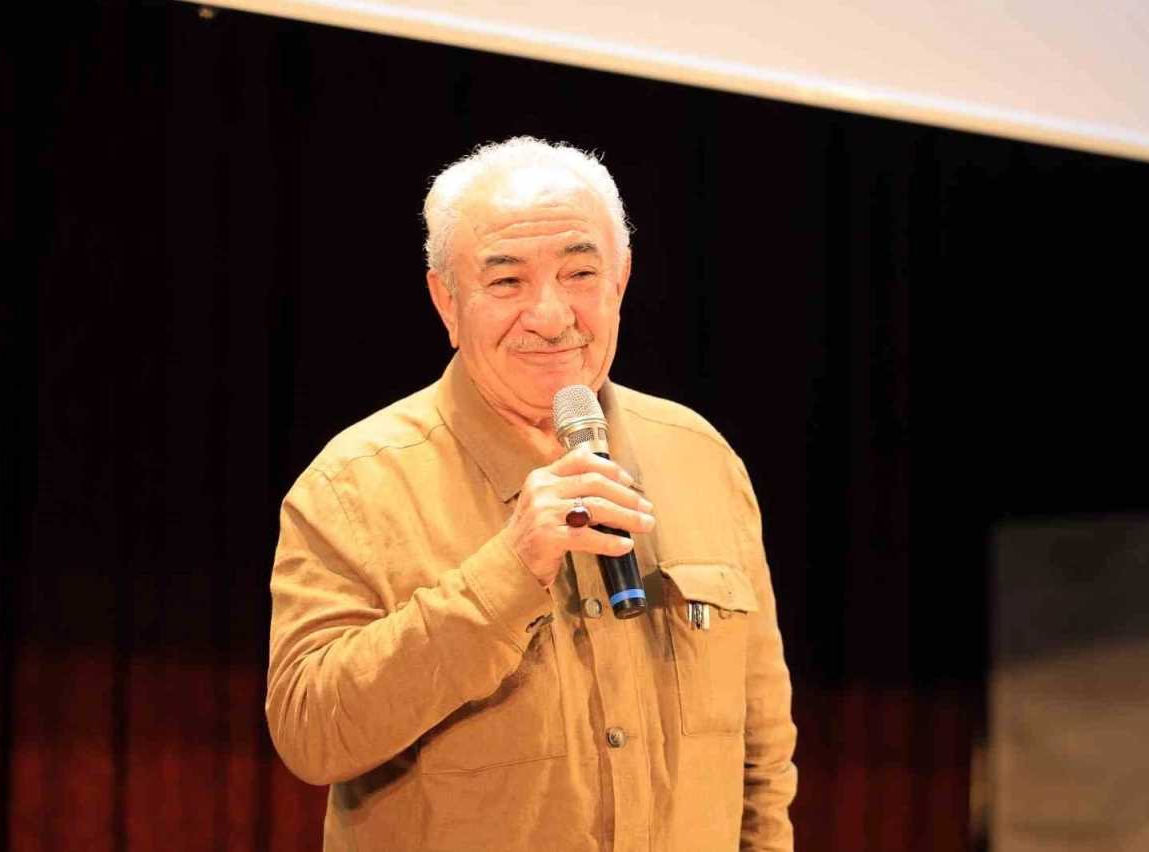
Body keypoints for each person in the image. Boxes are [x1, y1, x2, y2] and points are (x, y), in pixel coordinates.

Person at [266, 136, 797, 851]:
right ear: (447, 301)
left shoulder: (701, 458)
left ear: (620, 282)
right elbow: (311, 732)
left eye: (580, 272)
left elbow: (762, 756)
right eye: (507, 282)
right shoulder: (354, 484)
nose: (551, 315)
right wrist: (507, 572)